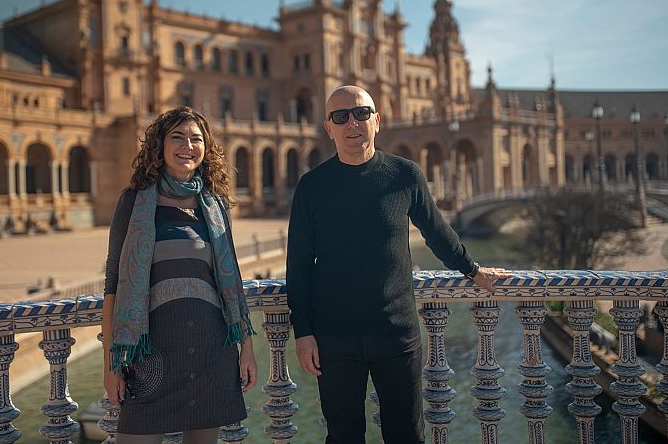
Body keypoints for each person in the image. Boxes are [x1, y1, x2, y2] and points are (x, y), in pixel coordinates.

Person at [286, 85, 508, 444]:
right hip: (333, 337)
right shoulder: (312, 186)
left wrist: (474, 270)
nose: (352, 123)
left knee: (406, 434)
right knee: (343, 437)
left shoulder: (405, 175)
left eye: (361, 113)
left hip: (397, 334)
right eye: (340, 116)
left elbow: (436, 233)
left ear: (377, 120)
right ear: (329, 128)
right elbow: (297, 263)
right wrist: (304, 332)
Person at [102, 106, 258, 444]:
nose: (188, 145)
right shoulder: (133, 203)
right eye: (178, 137)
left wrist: (246, 349)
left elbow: (231, 282)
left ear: (206, 148)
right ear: (159, 145)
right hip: (150, 357)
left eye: (196, 139)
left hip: (210, 353)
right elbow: (113, 284)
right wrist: (111, 364)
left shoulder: (214, 205)